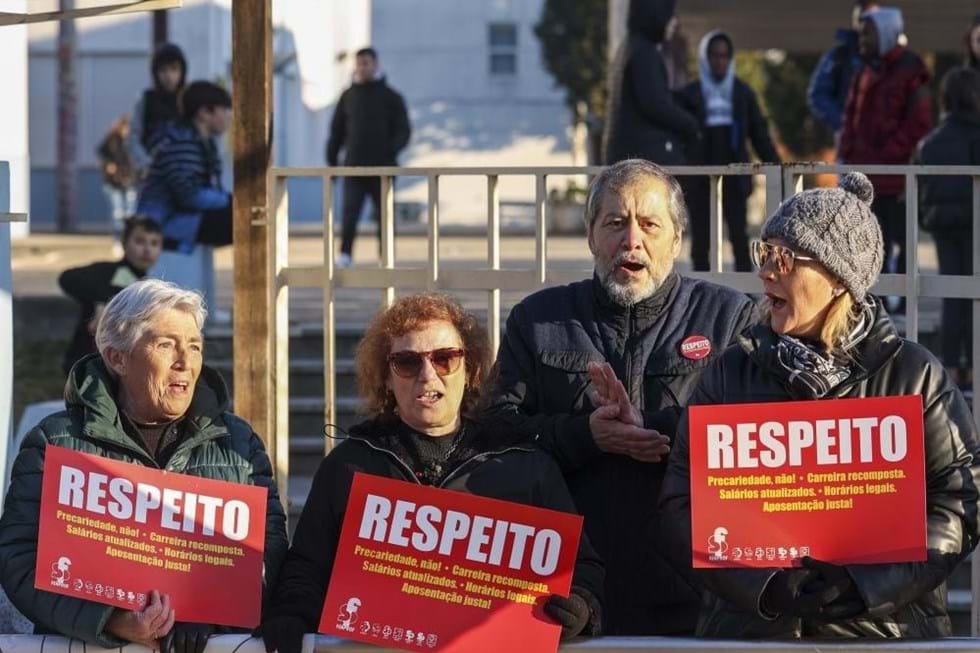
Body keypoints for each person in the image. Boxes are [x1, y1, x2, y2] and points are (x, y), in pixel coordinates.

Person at [660, 172, 980, 637]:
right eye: (763, 253)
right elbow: (679, 503)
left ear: (837, 279)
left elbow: (960, 501)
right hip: (754, 633)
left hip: (883, 633)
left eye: (785, 258)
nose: (766, 271)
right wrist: (763, 585)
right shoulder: (730, 374)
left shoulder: (915, 376)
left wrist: (867, 585)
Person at [484, 159, 756, 635]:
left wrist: (657, 430)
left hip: (697, 599)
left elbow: (755, 435)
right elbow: (492, 431)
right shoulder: (538, 319)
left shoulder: (729, 318)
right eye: (615, 223)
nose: (631, 240)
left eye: (650, 224)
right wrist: (585, 436)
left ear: (676, 238)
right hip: (570, 597)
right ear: (591, 236)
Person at [258, 293, 604, 653]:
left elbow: (583, 567)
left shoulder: (526, 465)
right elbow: (308, 565)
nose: (427, 375)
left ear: (471, 371)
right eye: (406, 362)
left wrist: (580, 604)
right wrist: (292, 612)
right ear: (386, 379)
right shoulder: (349, 466)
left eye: (445, 359)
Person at [0, 279, 288, 652]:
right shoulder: (55, 442)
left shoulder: (238, 443)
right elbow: (20, 560)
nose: (185, 362)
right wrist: (111, 621)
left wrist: (214, 613)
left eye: (195, 346)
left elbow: (271, 551)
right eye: (166, 344)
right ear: (117, 357)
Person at [838, 6, 932, 281]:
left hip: (897, 179)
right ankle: (874, 301)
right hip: (864, 177)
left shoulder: (912, 69)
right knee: (865, 244)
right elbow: (850, 119)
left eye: (868, 36)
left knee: (902, 242)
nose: (863, 42)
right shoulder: (863, 71)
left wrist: (887, 156)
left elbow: (919, 123)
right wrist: (846, 155)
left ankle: (903, 304)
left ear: (886, 34)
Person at [678, 30, 780, 272]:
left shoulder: (742, 93)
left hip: (735, 177)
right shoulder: (689, 95)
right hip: (699, 179)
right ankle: (701, 295)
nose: (719, 61)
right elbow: (678, 136)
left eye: (724, 56)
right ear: (705, 58)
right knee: (701, 240)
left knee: (739, 237)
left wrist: (777, 166)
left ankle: (742, 296)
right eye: (714, 55)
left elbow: (759, 133)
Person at [915, 67, 980, 393]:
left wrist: (928, 217)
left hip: (942, 223)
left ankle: (953, 363)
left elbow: (923, 186)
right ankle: (975, 362)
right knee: (975, 294)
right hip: (974, 224)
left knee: (951, 296)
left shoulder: (931, 142)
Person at [326, 47, 411, 269]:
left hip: (384, 169)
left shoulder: (391, 97)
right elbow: (336, 132)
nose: (363, 67)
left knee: (385, 215)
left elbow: (404, 130)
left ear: (376, 65)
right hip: (353, 167)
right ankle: (345, 254)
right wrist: (332, 163)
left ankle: (386, 257)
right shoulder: (348, 96)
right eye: (359, 63)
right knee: (349, 213)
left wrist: (390, 151)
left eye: (367, 63)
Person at [58, 216, 163, 376]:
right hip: (88, 366)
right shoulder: (107, 272)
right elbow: (67, 278)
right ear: (124, 243)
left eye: (154, 243)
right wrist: (103, 301)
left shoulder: (148, 286)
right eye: (140, 241)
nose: (147, 250)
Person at [136, 81, 233, 254]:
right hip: (163, 224)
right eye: (225, 110)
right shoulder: (182, 142)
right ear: (204, 113)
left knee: (247, 214)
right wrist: (230, 200)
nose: (229, 116)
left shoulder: (201, 141)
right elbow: (189, 196)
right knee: (242, 216)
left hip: (180, 218)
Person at [603, 0, 699, 166]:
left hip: (628, 156)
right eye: (668, 14)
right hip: (640, 160)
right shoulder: (644, 52)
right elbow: (655, 104)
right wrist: (690, 124)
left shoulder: (630, 46)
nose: (672, 22)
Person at [807, 1, 878, 133]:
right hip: (850, 139)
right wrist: (843, 123)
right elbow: (818, 94)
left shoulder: (889, 55)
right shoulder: (841, 54)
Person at [128, 43, 188, 176]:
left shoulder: (190, 100)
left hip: (186, 177)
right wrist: (146, 164)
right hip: (153, 177)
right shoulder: (145, 100)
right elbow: (133, 137)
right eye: (163, 70)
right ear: (156, 73)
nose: (169, 76)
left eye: (174, 69)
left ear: (182, 71)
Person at [97, 115, 139, 237]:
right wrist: (108, 165)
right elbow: (102, 155)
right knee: (118, 213)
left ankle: (129, 238)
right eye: (125, 128)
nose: (127, 131)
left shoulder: (134, 143)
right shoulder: (111, 141)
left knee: (131, 213)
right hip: (113, 182)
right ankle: (118, 239)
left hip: (130, 181)